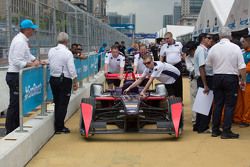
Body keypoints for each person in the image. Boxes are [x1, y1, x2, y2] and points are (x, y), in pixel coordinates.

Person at [206, 27, 246, 139]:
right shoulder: (235, 48)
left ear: (219, 36)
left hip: (217, 77)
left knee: (218, 104)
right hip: (231, 78)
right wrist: (242, 80)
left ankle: (215, 129)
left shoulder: (213, 48)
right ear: (230, 36)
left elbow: (208, 64)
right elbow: (242, 67)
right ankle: (226, 131)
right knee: (229, 105)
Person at [5, 19, 41, 134]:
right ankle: (10, 130)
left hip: (16, 76)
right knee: (15, 104)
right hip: (15, 76)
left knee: (17, 103)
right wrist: (31, 64)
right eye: (32, 29)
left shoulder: (22, 40)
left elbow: (27, 55)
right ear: (26, 30)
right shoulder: (20, 41)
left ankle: (14, 127)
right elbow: (17, 60)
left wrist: (35, 60)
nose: (33, 31)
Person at [48, 32, 78, 134]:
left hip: (53, 78)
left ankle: (58, 124)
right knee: (63, 103)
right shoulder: (67, 53)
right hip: (64, 80)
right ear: (66, 41)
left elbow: (50, 62)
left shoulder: (51, 50)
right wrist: (75, 81)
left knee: (57, 102)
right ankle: (59, 127)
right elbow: (71, 69)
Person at [193, 33, 213, 133]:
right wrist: (205, 84)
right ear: (202, 39)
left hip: (203, 78)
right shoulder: (201, 50)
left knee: (201, 103)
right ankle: (203, 127)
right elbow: (201, 67)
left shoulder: (202, 49)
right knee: (205, 104)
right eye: (208, 38)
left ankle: (198, 125)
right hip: (204, 78)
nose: (211, 40)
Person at [160, 32, 183, 99]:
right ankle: (172, 98)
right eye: (165, 39)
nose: (166, 40)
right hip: (169, 66)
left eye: (168, 38)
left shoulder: (179, 44)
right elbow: (161, 57)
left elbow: (183, 54)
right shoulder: (164, 46)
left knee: (178, 83)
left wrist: (186, 62)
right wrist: (161, 66)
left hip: (178, 65)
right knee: (169, 82)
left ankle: (179, 99)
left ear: (172, 37)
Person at [233, 35, 250, 127]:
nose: (242, 44)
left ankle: (246, 120)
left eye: (244, 42)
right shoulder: (244, 53)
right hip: (242, 81)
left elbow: (246, 68)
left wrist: (240, 69)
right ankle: (239, 118)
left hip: (248, 82)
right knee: (240, 102)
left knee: (247, 102)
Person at [183, 41, 198, 124]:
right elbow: (190, 69)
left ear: (194, 49)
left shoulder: (201, 54)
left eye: (189, 51)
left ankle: (204, 119)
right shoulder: (188, 58)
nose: (187, 53)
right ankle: (195, 119)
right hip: (194, 79)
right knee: (194, 99)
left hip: (204, 79)